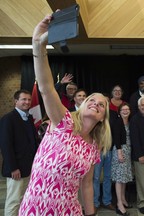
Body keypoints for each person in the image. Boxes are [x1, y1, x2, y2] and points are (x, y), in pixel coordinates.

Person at [19, 14, 111, 215]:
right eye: (91, 100)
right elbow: (45, 88)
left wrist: (91, 213)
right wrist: (38, 47)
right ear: (83, 105)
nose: (95, 104)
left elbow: (87, 185)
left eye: (101, 105)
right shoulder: (63, 121)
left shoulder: (93, 147)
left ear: (103, 117)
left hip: (69, 210)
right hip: (36, 209)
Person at [0, 89, 38, 216]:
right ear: (16, 101)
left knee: (24, 199)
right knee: (14, 201)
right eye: (23, 99)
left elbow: (32, 142)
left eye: (28, 99)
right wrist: (13, 168)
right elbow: (6, 146)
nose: (27, 102)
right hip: (16, 170)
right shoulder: (8, 119)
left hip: (28, 167)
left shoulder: (29, 118)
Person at [93, 94, 115, 214]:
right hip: (97, 151)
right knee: (95, 178)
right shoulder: (94, 114)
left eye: (106, 102)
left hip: (109, 150)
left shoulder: (112, 115)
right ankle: (95, 203)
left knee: (108, 177)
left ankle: (107, 201)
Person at [111, 102, 133, 216]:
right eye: (123, 110)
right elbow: (116, 138)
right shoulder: (117, 122)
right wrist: (119, 153)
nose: (125, 111)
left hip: (128, 151)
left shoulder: (129, 122)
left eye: (127, 109)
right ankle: (119, 204)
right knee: (119, 178)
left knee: (124, 176)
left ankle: (123, 199)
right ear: (119, 112)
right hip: (120, 150)